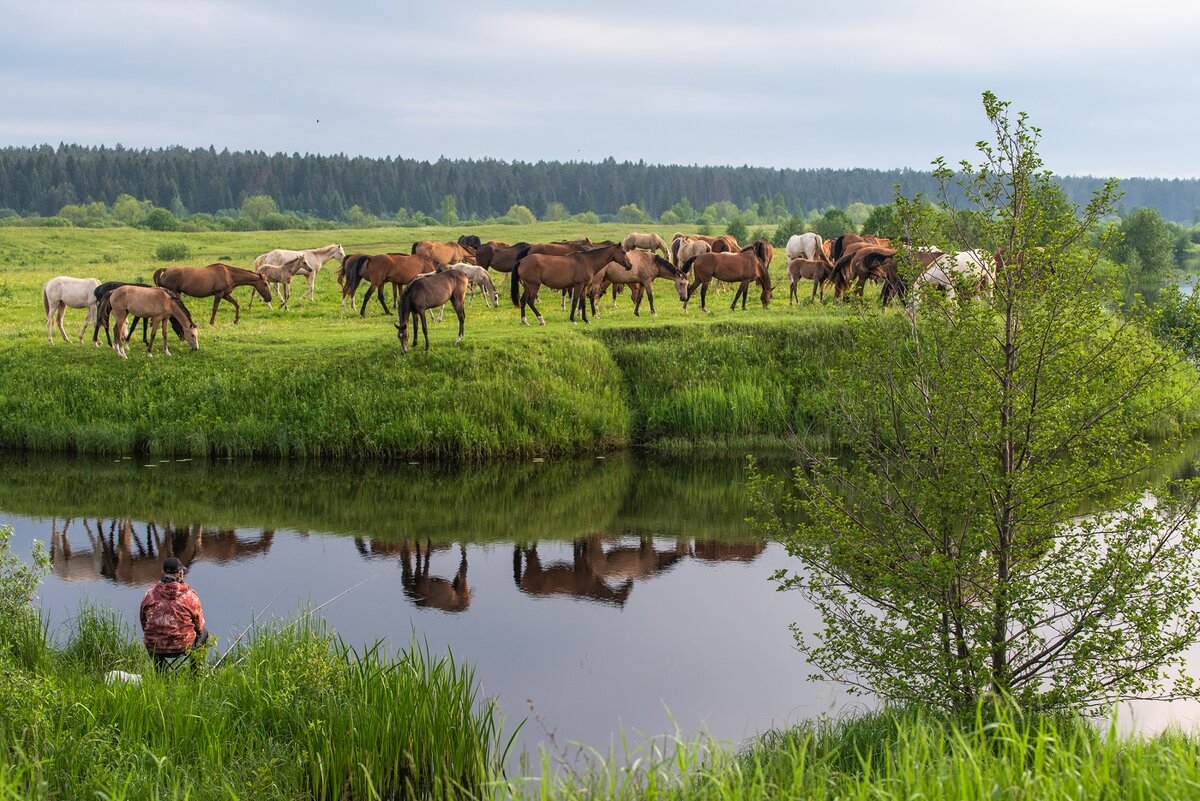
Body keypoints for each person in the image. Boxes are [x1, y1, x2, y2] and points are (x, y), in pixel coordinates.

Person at [139, 556, 209, 670]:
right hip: (183, 647)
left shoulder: (149, 594)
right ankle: (196, 673)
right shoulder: (190, 596)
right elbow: (199, 626)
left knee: (153, 636)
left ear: (163, 572)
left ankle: (160, 674)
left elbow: (144, 621)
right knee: (204, 633)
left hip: (155, 648)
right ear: (181, 574)